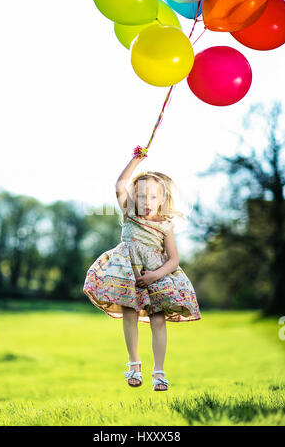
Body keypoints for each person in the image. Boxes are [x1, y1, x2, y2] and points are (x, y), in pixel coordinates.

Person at [83, 147, 201, 391]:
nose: (147, 202)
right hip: (129, 274)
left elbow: (174, 259)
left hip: (155, 275)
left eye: (153, 197)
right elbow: (119, 184)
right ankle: (134, 363)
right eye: (142, 196)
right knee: (130, 314)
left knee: (158, 320)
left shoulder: (166, 225)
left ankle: (159, 371)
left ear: (163, 199)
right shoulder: (128, 213)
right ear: (133, 198)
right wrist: (135, 160)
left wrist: (156, 275)